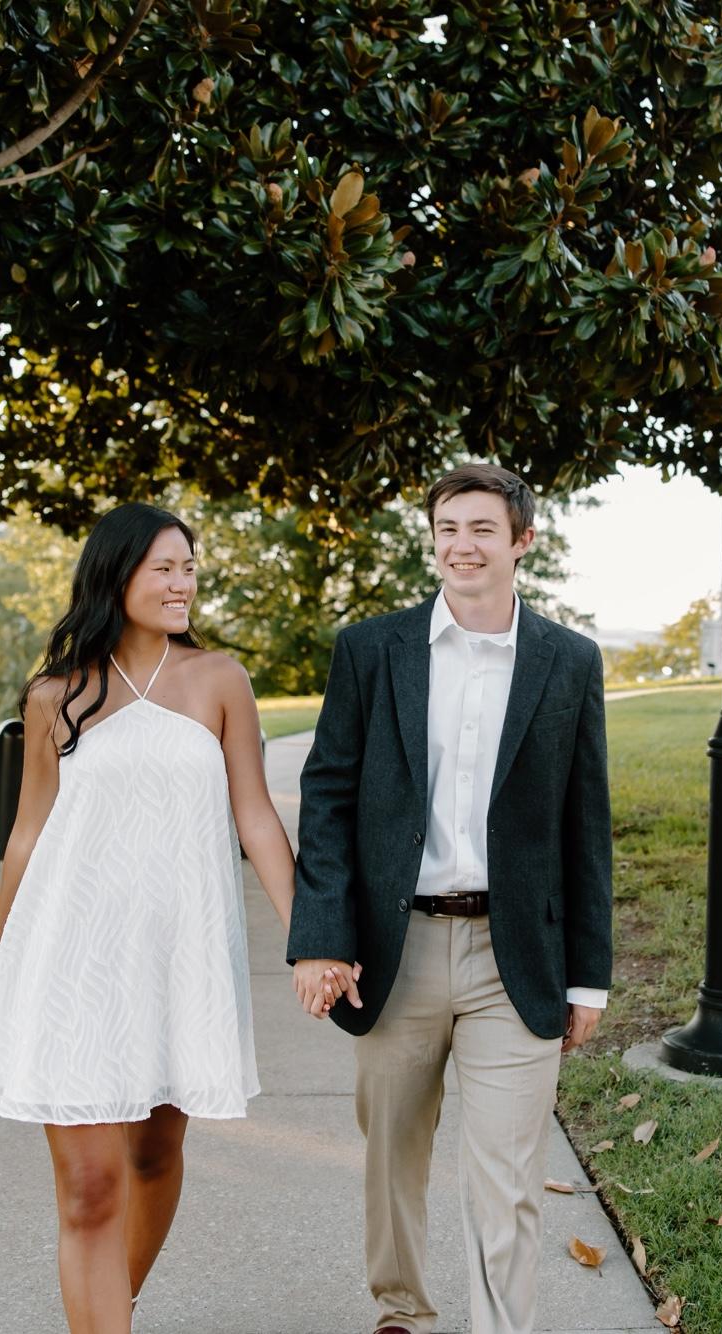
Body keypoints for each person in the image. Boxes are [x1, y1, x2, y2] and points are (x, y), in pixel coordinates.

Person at [0, 502, 321, 1334]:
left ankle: (109, 1309)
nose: (182, 582)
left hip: (180, 959)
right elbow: (29, 832)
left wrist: (311, 935)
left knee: (156, 1154)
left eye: (189, 567)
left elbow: (257, 816)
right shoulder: (55, 696)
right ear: (116, 573)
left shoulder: (219, 680)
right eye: (165, 567)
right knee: (92, 1189)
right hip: (68, 958)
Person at [287, 462, 613, 1334]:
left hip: (520, 958)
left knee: (507, 1176)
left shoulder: (570, 662)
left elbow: (587, 826)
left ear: (521, 543)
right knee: (393, 1154)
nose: (461, 545)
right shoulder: (370, 649)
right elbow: (329, 796)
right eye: (447, 528)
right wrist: (320, 935)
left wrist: (590, 979)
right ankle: (402, 1312)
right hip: (400, 953)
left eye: (481, 529)